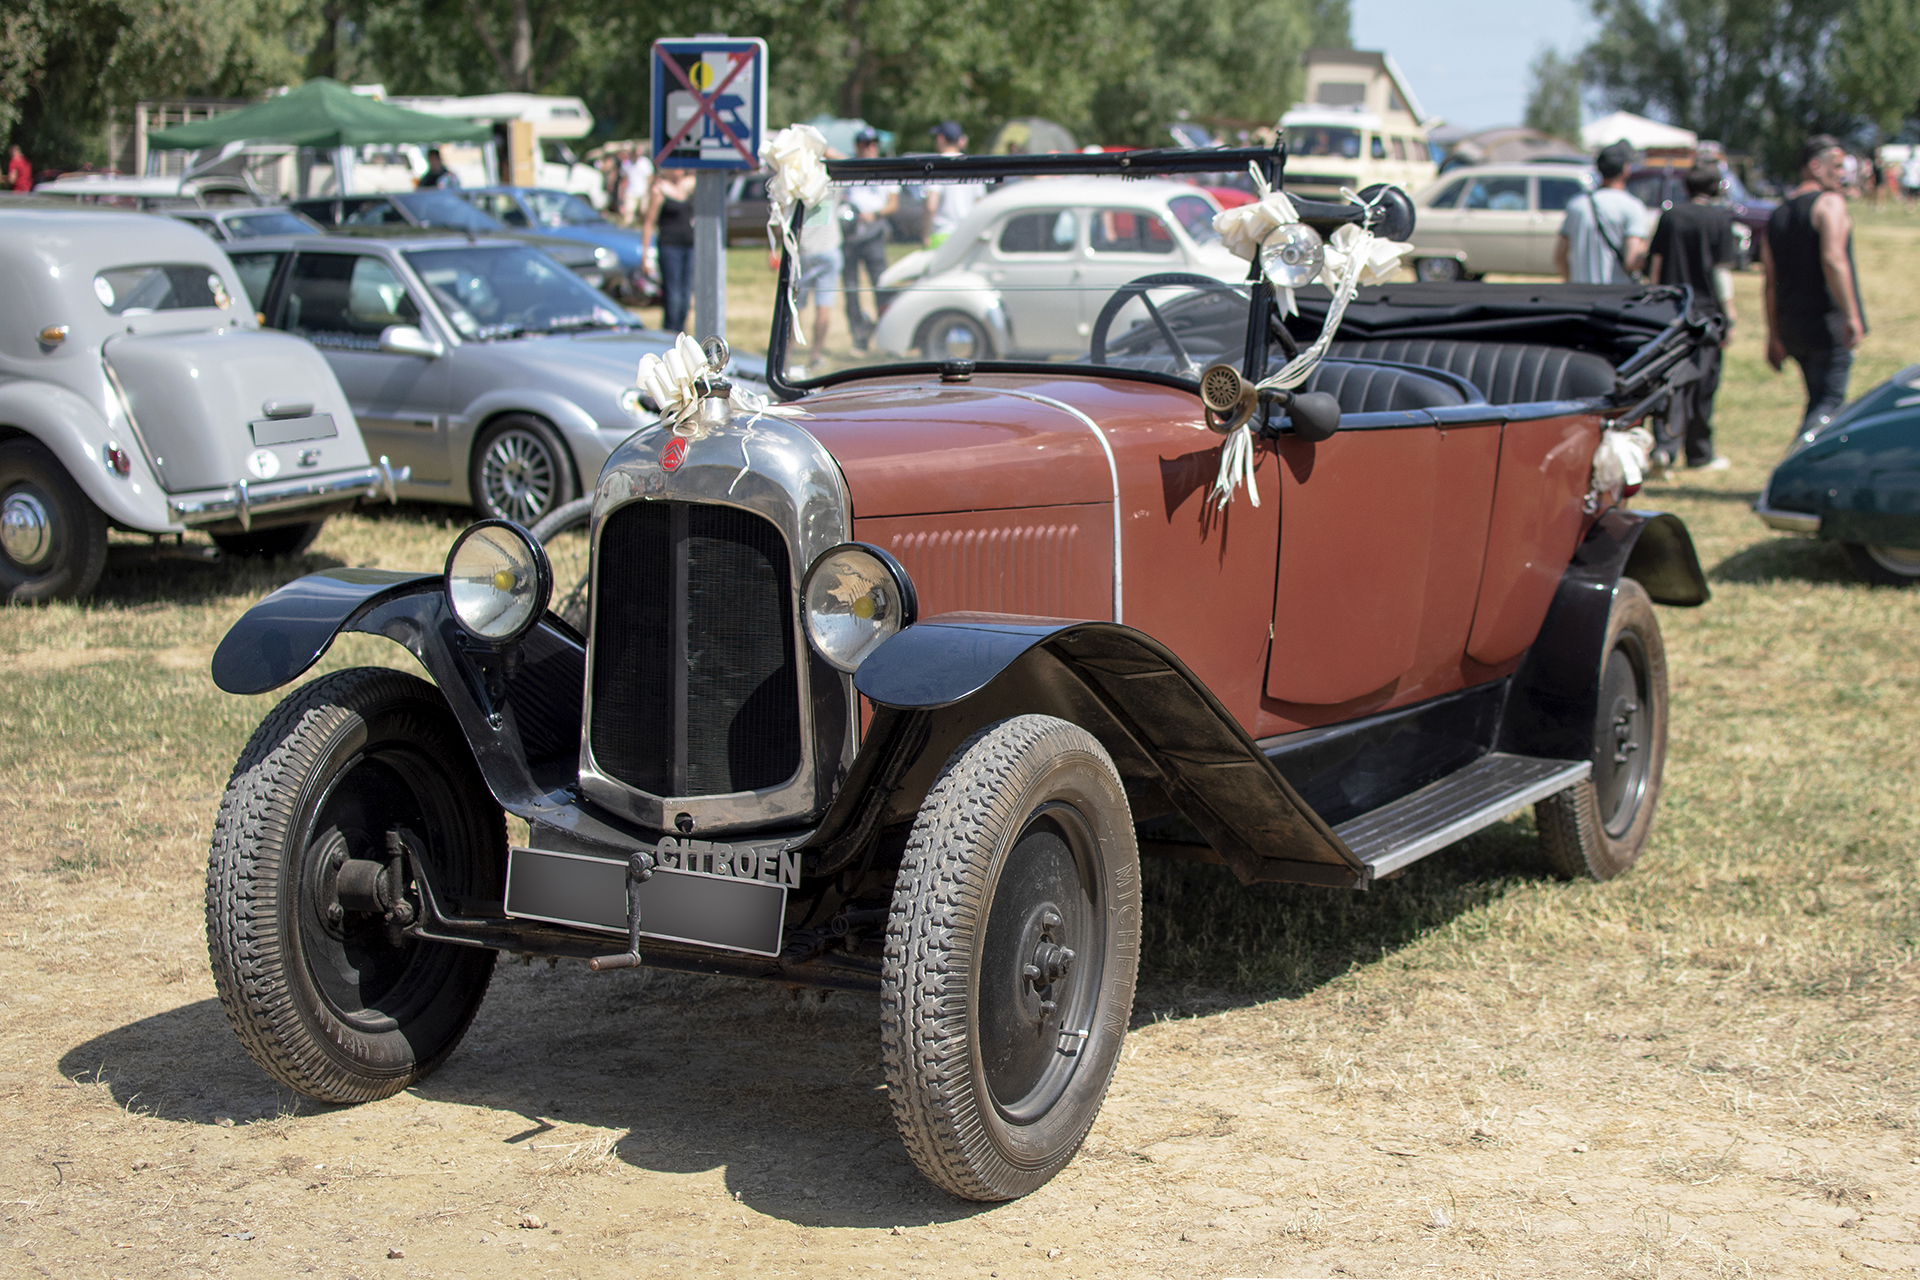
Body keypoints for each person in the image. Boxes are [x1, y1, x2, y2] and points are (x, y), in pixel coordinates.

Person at [1764, 134, 1868, 442]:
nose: (1841, 173)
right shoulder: (1829, 204)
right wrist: (1852, 314)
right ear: (1815, 166)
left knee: (1817, 397)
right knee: (1830, 402)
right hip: (1825, 323)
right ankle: (1799, 465)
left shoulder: (1777, 213)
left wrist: (1773, 334)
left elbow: (1770, 281)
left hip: (1791, 325)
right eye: (1836, 166)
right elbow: (1834, 259)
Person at [1647, 163, 1737, 471]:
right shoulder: (1719, 219)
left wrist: (1655, 302)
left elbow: (1655, 264)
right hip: (1707, 313)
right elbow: (1720, 273)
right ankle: (1699, 453)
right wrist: (1731, 316)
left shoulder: (1670, 216)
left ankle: (1664, 448)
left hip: (1672, 310)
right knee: (1703, 384)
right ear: (1715, 188)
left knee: (1668, 380)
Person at [1556, 141, 1650, 283]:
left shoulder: (1577, 204)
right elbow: (1631, 262)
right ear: (1626, 169)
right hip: (1617, 296)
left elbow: (1559, 257)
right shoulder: (1632, 206)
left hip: (1581, 295)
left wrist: (1571, 282)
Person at [840, 127, 898, 351]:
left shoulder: (885, 168)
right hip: (851, 234)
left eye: (874, 143)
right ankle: (859, 336)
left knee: (881, 285)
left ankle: (886, 333)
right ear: (858, 147)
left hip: (874, 232)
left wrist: (875, 214)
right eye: (866, 144)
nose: (871, 148)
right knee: (851, 290)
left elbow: (894, 204)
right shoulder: (849, 167)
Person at [642, 167, 698, 333]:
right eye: (676, 167)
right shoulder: (659, 190)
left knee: (686, 296)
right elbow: (648, 222)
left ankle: (682, 333)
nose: (681, 170)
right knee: (673, 296)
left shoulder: (684, 188)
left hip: (688, 245)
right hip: (669, 246)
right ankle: (670, 334)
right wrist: (645, 256)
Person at [922, 122, 984, 249]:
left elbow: (931, 205)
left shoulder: (937, 165)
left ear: (940, 138)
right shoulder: (972, 165)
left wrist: (925, 234)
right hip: (967, 233)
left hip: (942, 235)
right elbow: (979, 203)